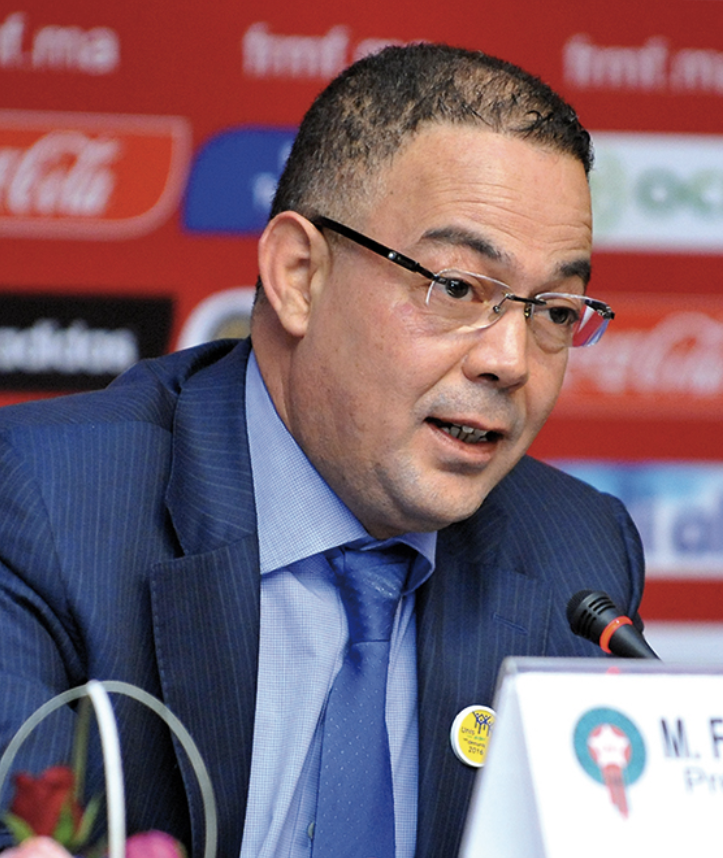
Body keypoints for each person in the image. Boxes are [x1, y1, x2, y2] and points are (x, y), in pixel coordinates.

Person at [0, 43, 645, 858]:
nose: (510, 361)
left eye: (554, 310)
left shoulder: (576, 558)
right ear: (299, 275)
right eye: (456, 288)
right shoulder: (48, 505)